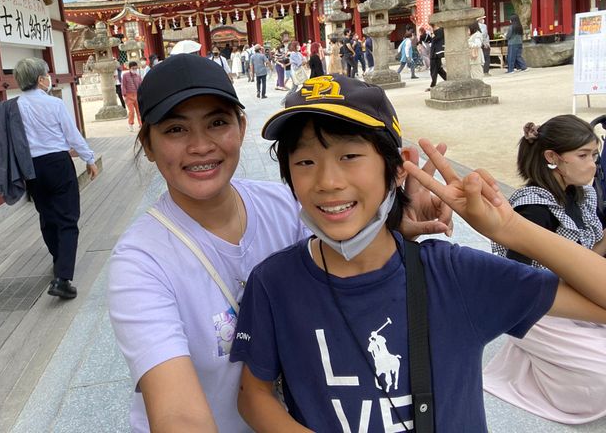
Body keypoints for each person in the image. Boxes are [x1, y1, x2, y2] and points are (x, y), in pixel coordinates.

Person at [229, 74, 606, 431]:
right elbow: (253, 394)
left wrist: (509, 229)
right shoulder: (275, 283)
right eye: (305, 162)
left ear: (396, 168)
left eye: (350, 156)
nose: (327, 182)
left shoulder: (454, 275)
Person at [108, 58, 452, 433]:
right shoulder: (140, 261)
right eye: (175, 129)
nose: (200, 146)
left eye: (217, 122)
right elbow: (178, 416)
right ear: (149, 144)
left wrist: (388, 218)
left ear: (241, 127)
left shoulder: (287, 208)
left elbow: (345, 263)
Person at [484, 115, 606, 424]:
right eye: (583, 155)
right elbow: (517, 280)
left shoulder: (581, 192)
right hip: (540, 309)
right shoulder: (533, 208)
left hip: (579, 292)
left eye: (594, 154)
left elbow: (583, 258)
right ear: (552, 158)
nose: (593, 164)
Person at [0, 57, 98, 300]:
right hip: (58, 164)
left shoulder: (11, 107)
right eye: (47, 74)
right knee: (68, 219)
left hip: (31, 169)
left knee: (47, 216)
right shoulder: (54, 104)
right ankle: (63, 278)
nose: (49, 78)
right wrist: (89, 158)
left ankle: (59, 261)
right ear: (40, 79)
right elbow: (72, 135)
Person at [122, 61, 143, 132]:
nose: (135, 69)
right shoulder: (125, 75)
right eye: (133, 68)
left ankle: (141, 124)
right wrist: (124, 95)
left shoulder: (138, 76)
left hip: (137, 95)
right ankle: (130, 124)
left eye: (136, 68)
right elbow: (123, 85)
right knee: (131, 111)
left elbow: (141, 86)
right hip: (128, 95)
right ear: (130, 68)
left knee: (139, 111)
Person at [426, 26, 447, 91]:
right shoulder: (436, 32)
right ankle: (448, 79)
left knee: (434, 70)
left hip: (436, 53)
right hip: (434, 52)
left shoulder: (440, 31)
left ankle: (433, 85)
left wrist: (432, 32)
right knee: (439, 69)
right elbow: (428, 40)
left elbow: (435, 39)